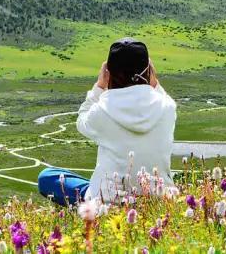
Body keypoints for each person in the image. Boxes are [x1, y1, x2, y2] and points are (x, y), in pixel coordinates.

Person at [38, 37, 177, 205]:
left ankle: (86, 207)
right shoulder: (167, 106)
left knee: (47, 177)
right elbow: (162, 96)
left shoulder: (102, 109)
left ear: (108, 72)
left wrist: (99, 86)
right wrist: (155, 83)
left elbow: (82, 121)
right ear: (149, 70)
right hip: (158, 197)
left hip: (109, 200)